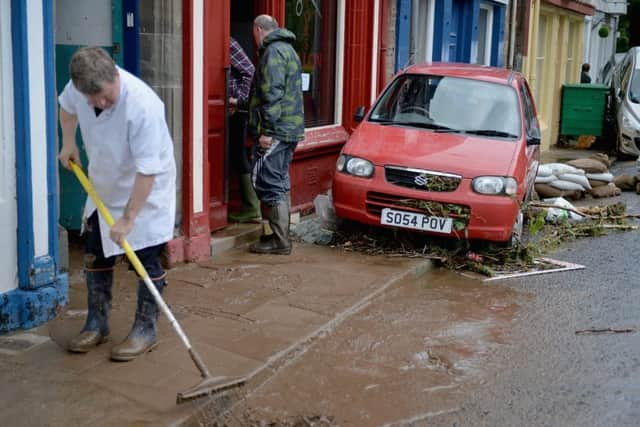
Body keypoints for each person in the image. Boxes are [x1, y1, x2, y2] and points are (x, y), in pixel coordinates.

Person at [58, 47, 176, 361]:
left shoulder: (143, 106)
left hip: (145, 191)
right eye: (95, 98)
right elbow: (66, 107)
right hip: (104, 185)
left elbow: (147, 170)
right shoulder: (79, 87)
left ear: (115, 76)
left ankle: (145, 329)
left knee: (145, 260)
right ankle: (97, 323)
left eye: (107, 97)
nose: (101, 103)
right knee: (95, 254)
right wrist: (68, 142)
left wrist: (128, 218)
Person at [244, 14, 304, 255]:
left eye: (253, 33)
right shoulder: (289, 50)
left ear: (258, 30)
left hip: (277, 130)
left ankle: (280, 241)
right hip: (290, 128)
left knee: (268, 181)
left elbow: (272, 94)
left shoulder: (273, 53)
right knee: (278, 180)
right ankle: (279, 237)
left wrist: (267, 131)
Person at [228, 37, 260, 222]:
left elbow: (249, 71)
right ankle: (251, 207)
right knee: (236, 156)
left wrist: (239, 101)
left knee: (239, 157)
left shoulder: (227, 42)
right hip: (226, 112)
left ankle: (252, 207)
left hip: (236, 112)